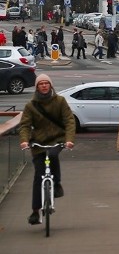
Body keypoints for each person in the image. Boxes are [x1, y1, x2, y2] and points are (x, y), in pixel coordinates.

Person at [19, 74, 76, 225]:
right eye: (41, 84)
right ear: (37, 87)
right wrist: (24, 141)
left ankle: (56, 183)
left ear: (50, 86)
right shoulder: (31, 105)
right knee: (38, 176)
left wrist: (69, 139)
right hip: (38, 142)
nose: (44, 86)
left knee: (53, 155)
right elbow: (25, 125)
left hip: (57, 139)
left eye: (46, 83)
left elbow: (69, 120)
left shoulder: (60, 101)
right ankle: (35, 211)